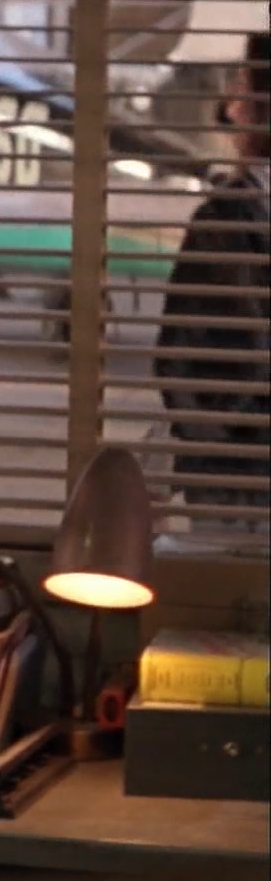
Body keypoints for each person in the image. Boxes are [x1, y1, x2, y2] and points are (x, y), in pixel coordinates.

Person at [155, 30, 270, 519]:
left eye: (241, 91)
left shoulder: (230, 219)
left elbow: (188, 370)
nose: (230, 109)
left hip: (241, 492)